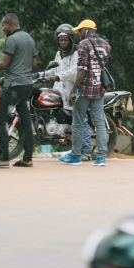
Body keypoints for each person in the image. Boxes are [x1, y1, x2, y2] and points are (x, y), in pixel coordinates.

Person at [0, 14, 36, 169]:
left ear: (10, 24)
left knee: (1, 120)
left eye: (4, 26)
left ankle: (3, 158)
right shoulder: (29, 39)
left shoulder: (12, 39)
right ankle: (27, 158)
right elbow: (33, 64)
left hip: (13, 86)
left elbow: (4, 64)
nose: (3, 29)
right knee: (26, 122)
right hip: (27, 85)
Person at [41, 23, 92, 163]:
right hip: (59, 91)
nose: (63, 42)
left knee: (80, 120)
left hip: (73, 91)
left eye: (65, 40)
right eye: (60, 40)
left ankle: (86, 151)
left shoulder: (77, 52)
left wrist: (58, 77)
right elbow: (54, 70)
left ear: (71, 39)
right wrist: (40, 74)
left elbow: (75, 71)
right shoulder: (59, 53)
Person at [65, 20, 112, 167]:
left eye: (80, 31)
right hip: (99, 89)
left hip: (85, 90)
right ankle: (101, 157)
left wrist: (73, 91)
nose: (79, 35)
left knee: (78, 122)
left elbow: (82, 70)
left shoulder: (84, 45)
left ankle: (76, 156)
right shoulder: (106, 44)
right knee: (99, 122)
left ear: (87, 30)